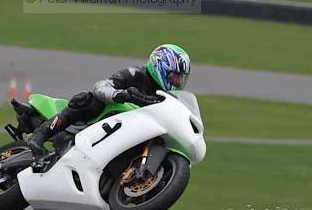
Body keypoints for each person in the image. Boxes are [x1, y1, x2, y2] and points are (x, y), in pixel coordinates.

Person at [26, 43, 191, 157]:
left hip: (131, 130)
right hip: (102, 120)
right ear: (161, 66)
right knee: (89, 99)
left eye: (181, 79)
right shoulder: (135, 74)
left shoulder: (166, 98)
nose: (178, 82)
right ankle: (39, 136)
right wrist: (118, 94)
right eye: (175, 76)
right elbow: (101, 86)